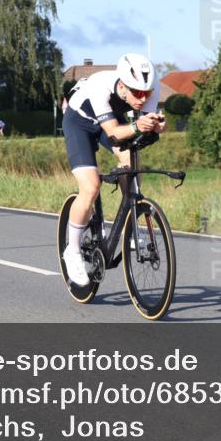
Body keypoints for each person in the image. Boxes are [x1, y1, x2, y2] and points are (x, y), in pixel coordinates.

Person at [62, 53, 166, 285]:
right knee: (91, 187)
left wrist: (157, 127)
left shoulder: (151, 88)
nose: (143, 98)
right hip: (79, 122)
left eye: (147, 93)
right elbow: (114, 132)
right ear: (122, 86)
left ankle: (130, 227)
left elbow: (144, 125)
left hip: (109, 120)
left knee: (130, 159)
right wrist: (138, 126)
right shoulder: (101, 85)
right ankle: (73, 251)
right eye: (137, 93)